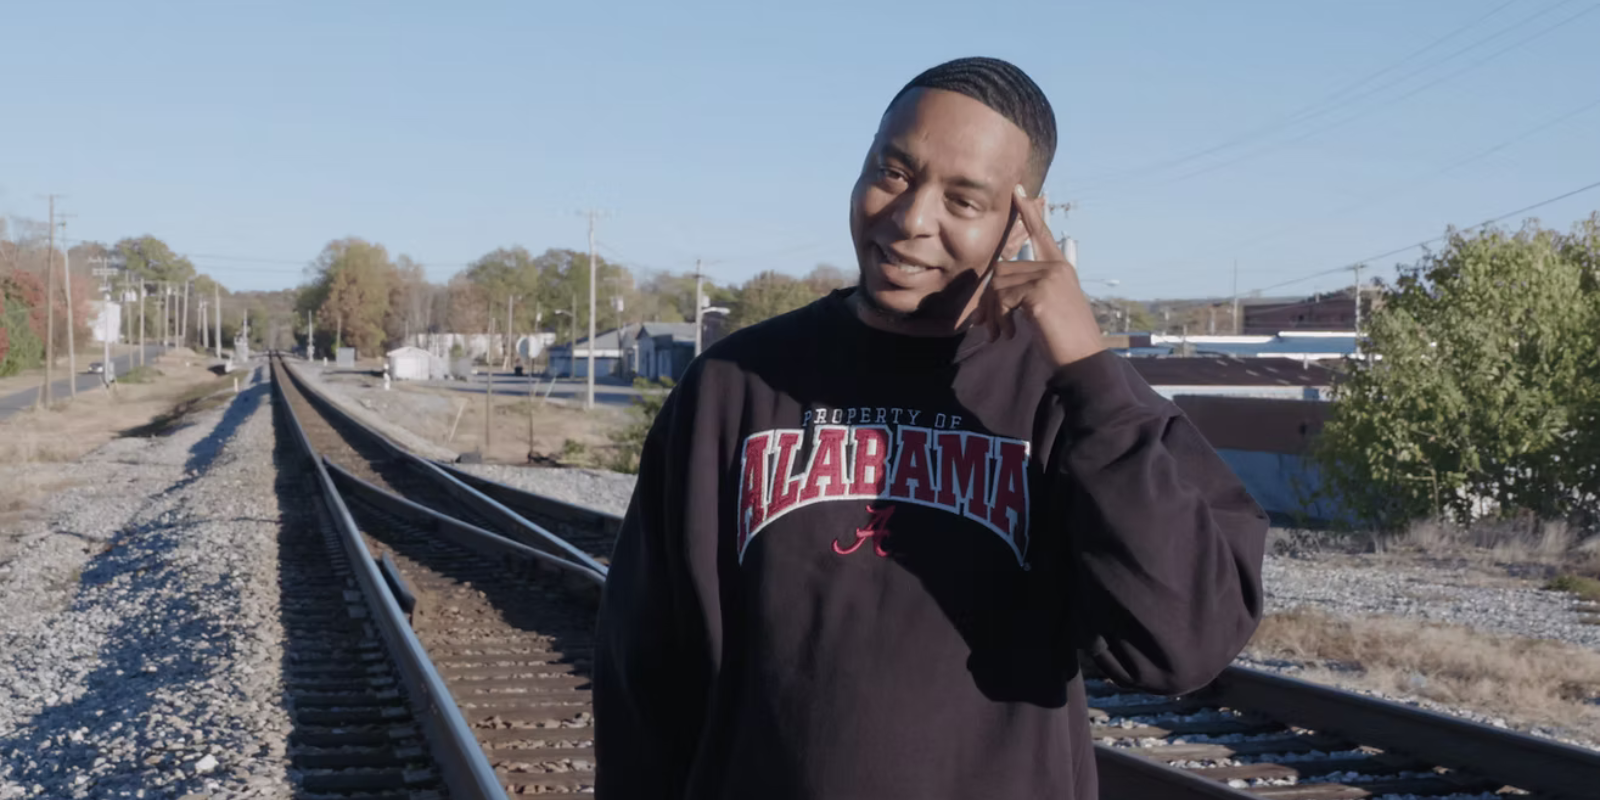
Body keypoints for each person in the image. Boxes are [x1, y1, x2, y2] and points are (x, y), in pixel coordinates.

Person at [594, 56, 1268, 800]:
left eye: (963, 200)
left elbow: (1180, 646)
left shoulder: (1075, 401)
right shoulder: (734, 385)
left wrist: (1089, 372)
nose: (912, 219)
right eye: (893, 172)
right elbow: (643, 672)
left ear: (1024, 221)